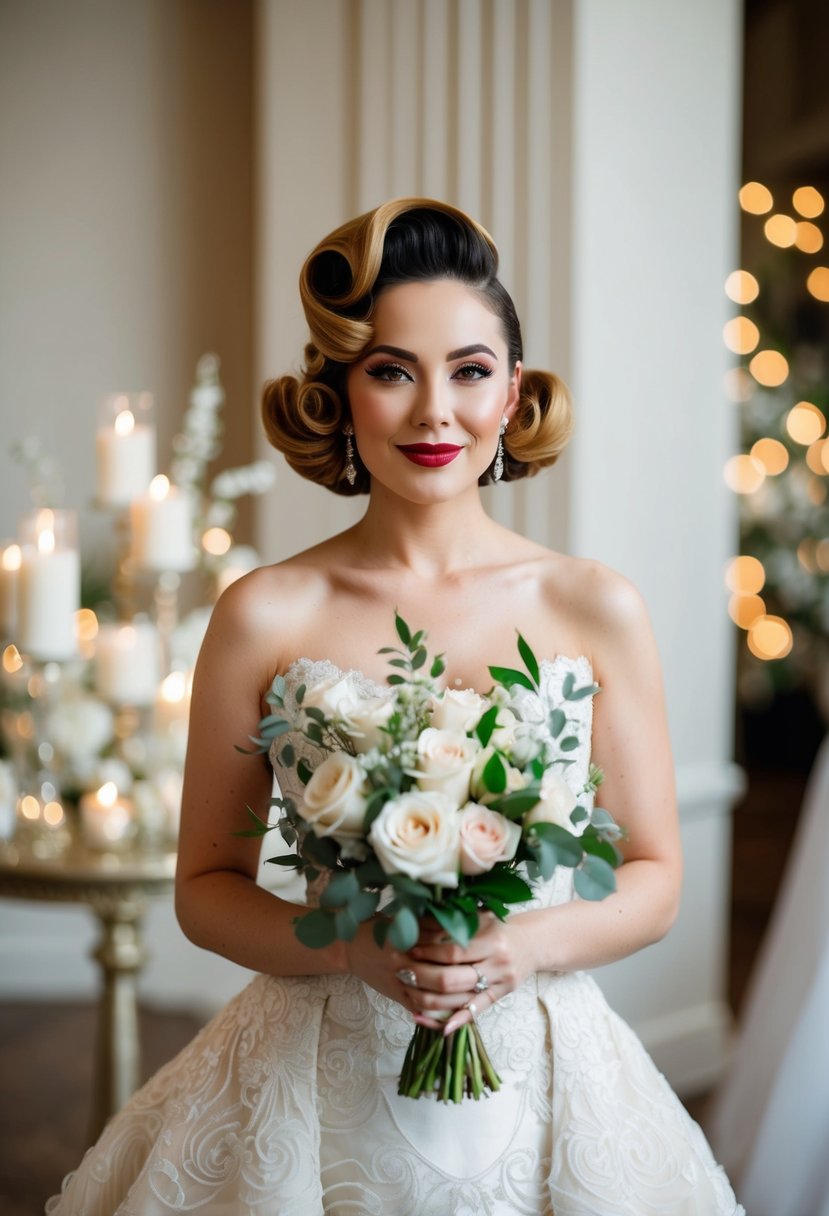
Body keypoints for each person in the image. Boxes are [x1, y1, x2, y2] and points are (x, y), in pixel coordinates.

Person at [47, 198, 743, 1215]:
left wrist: (515, 948)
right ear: (340, 393)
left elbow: (654, 876)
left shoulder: (593, 606)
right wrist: (349, 950)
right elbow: (203, 885)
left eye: (468, 370)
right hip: (311, 1084)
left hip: (544, 1072)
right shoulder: (263, 614)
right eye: (389, 371)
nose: (432, 413)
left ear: (512, 394)